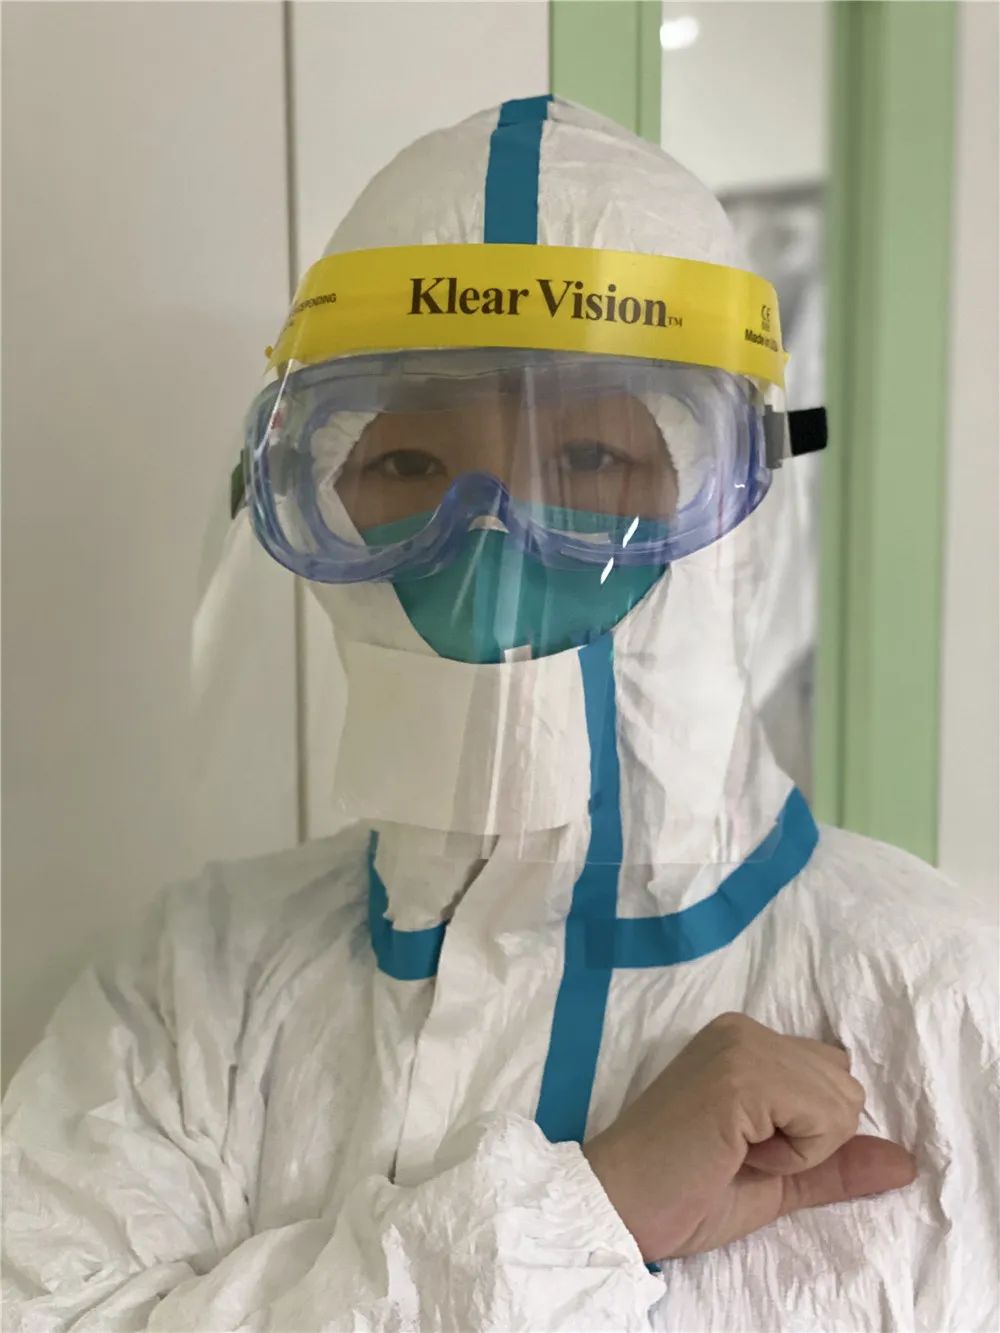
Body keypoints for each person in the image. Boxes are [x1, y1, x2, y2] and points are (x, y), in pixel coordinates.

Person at [3, 97, 996, 1332]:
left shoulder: (942, 1003)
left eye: (589, 463)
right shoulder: (193, 988)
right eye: (409, 468)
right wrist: (588, 1219)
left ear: (740, 504)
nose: (492, 544)